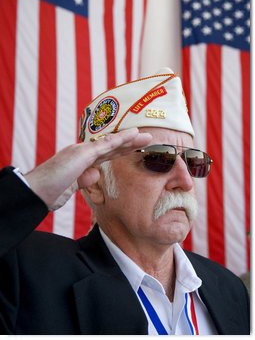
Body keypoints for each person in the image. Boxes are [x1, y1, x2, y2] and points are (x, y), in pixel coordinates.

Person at [0, 68, 250, 335]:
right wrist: (35, 186)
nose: (185, 181)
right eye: (158, 158)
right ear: (97, 185)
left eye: (194, 161)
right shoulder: (29, 273)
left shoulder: (229, 288)